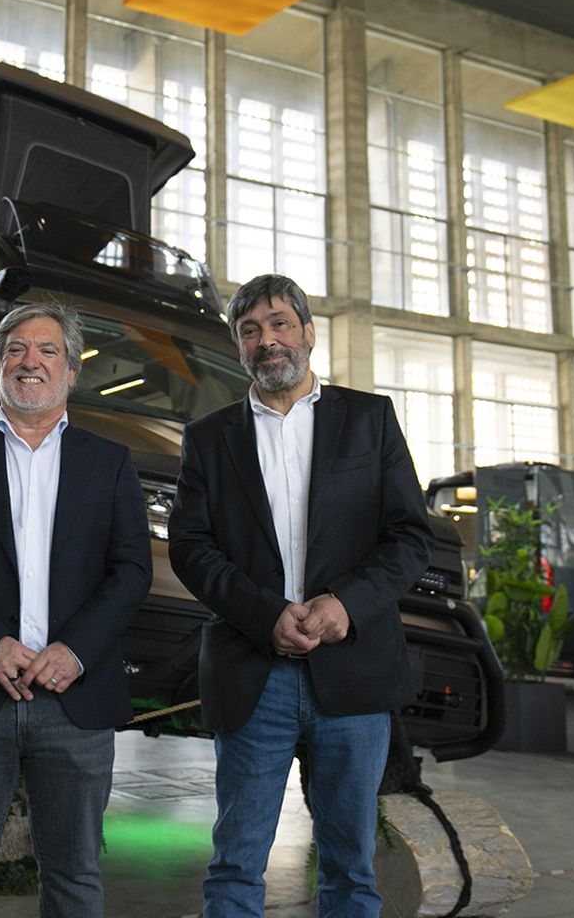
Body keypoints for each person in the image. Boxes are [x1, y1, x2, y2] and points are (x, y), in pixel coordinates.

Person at [168, 274, 433, 918]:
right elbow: (191, 549)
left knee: (350, 868)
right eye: (251, 330)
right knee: (235, 865)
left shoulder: (370, 420)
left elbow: (409, 538)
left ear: (309, 333)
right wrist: (266, 616)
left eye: (281, 324)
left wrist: (346, 604)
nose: (268, 340)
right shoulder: (209, 439)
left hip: (353, 675)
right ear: (238, 347)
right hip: (254, 675)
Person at [0, 301, 152, 917]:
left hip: (76, 701)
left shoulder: (110, 462)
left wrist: (75, 650)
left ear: (71, 372)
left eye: (47, 350)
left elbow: (131, 572)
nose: (30, 362)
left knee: (75, 876)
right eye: (15, 349)